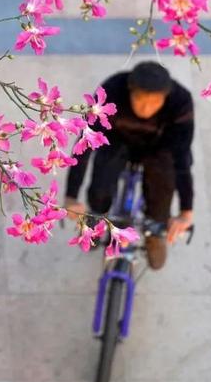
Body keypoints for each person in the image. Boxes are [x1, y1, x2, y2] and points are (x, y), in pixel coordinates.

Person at [65, 61, 194, 269]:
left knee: (165, 176)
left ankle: (155, 228)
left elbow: (181, 155)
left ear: (165, 97)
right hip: (117, 141)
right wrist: (71, 196)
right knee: (101, 179)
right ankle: (96, 218)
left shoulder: (181, 101)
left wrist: (186, 212)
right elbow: (85, 143)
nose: (146, 109)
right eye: (140, 100)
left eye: (154, 103)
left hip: (157, 147)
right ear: (130, 90)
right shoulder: (110, 90)